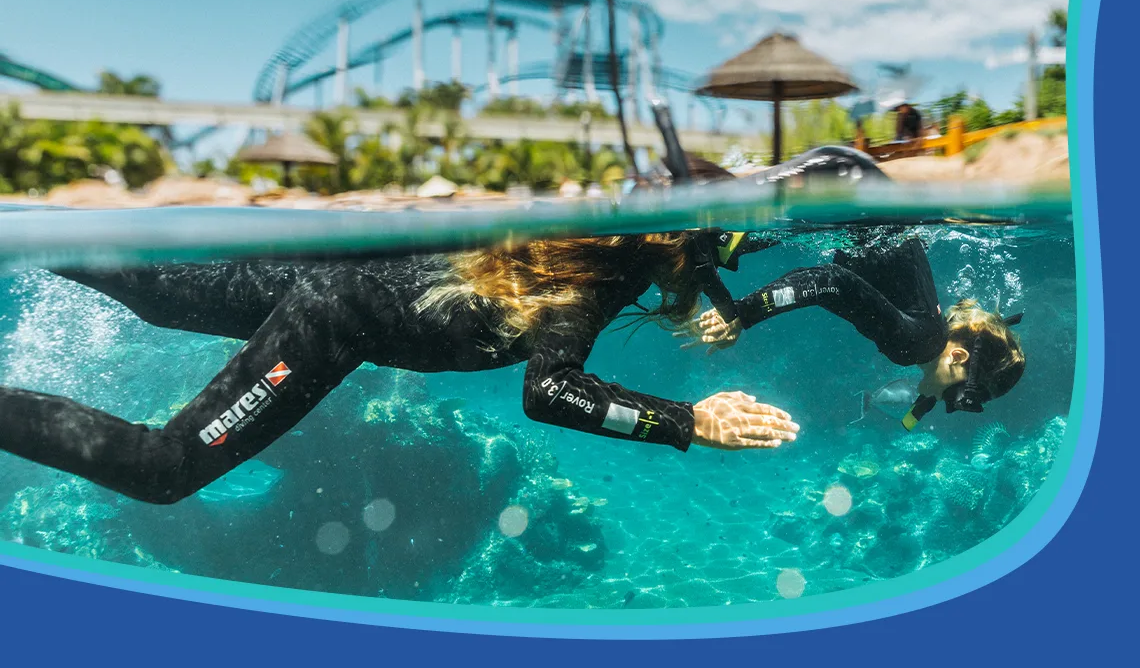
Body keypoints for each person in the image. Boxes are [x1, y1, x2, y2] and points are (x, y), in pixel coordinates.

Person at [0, 233, 801, 505]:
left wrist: (726, 302)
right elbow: (549, 390)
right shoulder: (600, 276)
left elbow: (691, 259)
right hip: (335, 316)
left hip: (339, 274)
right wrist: (687, 421)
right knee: (162, 466)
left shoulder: (600, 246)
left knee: (151, 293)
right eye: (724, 246)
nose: (723, 263)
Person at [679, 238, 1025, 430]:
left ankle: (717, 240)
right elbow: (832, 282)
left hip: (851, 204)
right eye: (955, 397)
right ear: (958, 357)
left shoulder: (928, 326)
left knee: (723, 246)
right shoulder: (916, 345)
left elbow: (836, 280)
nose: (944, 404)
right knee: (700, 248)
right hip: (851, 204)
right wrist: (743, 314)